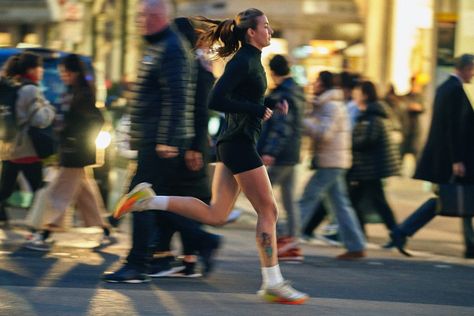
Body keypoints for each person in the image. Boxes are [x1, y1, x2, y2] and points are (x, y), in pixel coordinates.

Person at [113, 7, 308, 304]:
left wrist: (268, 103)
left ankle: (148, 200)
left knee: (216, 214)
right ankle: (273, 282)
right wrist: (257, 109)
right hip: (239, 145)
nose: (269, 30)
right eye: (265, 26)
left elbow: (242, 97)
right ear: (251, 32)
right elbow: (216, 98)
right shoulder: (243, 60)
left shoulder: (252, 61)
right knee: (268, 211)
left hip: (234, 144)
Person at [102, 0, 220, 283]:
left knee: (140, 200)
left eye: (144, 15)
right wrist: (136, 130)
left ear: (158, 16)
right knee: (150, 201)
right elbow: (149, 96)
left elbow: (178, 97)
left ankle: (138, 264)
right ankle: (200, 240)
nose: (139, 20)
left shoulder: (171, 49)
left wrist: (167, 139)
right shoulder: (158, 46)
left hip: (161, 142)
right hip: (151, 139)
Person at [386, 54, 474, 259]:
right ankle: (402, 231)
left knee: (456, 199)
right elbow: (453, 129)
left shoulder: (446, 88)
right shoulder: (454, 90)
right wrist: (457, 160)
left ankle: (470, 245)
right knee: (449, 199)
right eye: (472, 69)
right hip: (455, 159)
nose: (473, 73)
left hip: (450, 157)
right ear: (464, 68)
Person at [23, 54, 112, 251]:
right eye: (62, 72)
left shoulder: (83, 95)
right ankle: (105, 229)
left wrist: (77, 138)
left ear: (76, 73)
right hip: (70, 151)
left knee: (57, 194)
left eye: (67, 72)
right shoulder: (72, 92)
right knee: (86, 196)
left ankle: (45, 233)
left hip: (75, 153)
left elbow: (98, 120)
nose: (64, 76)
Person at [298, 71, 366, 260]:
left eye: (316, 81)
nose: (313, 84)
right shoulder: (326, 104)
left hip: (332, 161)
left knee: (307, 198)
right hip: (333, 160)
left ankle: (286, 239)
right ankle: (356, 245)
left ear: (324, 84)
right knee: (340, 204)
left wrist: (303, 122)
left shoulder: (332, 106)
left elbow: (325, 133)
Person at [257, 54, 305, 262]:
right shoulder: (297, 90)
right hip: (292, 151)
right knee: (288, 198)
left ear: (273, 72)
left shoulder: (283, 95)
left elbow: (281, 126)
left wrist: (270, 151)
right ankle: (293, 241)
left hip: (281, 153)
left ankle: (282, 237)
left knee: (262, 196)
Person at [0, 52, 55, 227]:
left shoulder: (11, 85)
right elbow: (39, 119)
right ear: (31, 69)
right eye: (40, 67)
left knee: (5, 188)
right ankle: (39, 224)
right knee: (40, 188)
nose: (42, 71)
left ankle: (3, 217)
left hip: (8, 144)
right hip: (26, 147)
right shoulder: (30, 89)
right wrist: (49, 108)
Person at [348, 81, 401, 238]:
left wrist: (348, 142)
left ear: (365, 95)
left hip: (371, 168)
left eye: (357, 92)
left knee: (377, 202)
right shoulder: (369, 113)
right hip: (368, 167)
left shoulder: (373, 115)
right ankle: (362, 235)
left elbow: (368, 140)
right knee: (359, 200)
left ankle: (397, 234)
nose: (354, 96)